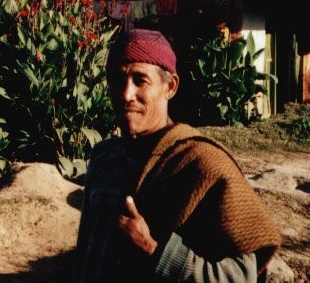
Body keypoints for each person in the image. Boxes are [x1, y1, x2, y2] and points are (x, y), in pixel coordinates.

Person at [74, 29, 281, 282]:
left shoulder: (203, 165)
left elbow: (241, 276)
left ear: (170, 87)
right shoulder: (104, 157)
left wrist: (154, 250)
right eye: (118, 80)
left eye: (140, 81)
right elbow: (85, 255)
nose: (126, 94)